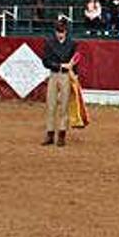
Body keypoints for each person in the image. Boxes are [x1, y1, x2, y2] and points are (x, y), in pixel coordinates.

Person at [40, 19, 78, 147]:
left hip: (66, 76)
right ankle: (50, 133)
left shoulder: (72, 44)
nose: (59, 34)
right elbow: (45, 62)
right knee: (51, 105)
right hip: (54, 74)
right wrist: (61, 65)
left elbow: (75, 62)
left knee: (64, 106)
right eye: (58, 31)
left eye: (61, 31)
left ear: (66, 31)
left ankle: (62, 134)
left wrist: (75, 75)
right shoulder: (49, 43)